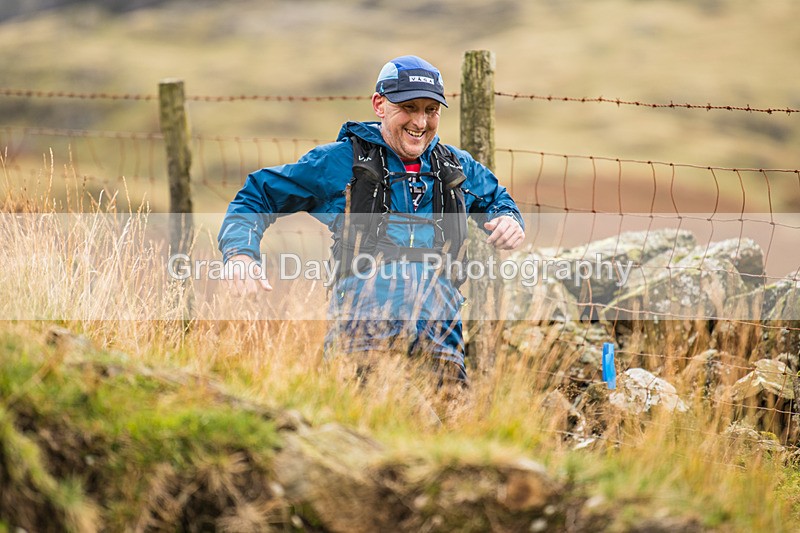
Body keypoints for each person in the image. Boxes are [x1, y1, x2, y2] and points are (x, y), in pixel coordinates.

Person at [217, 55, 524, 385]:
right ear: (380, 104)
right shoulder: (341, 162)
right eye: (408, 107)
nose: (420, 122)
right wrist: (240, 254)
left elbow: (498, 200)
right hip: (360, 345)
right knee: (355, 415)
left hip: (440, 345)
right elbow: (258, 195)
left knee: (448, 414)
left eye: (431, 110)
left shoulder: (454, 166)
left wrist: (509, 220)